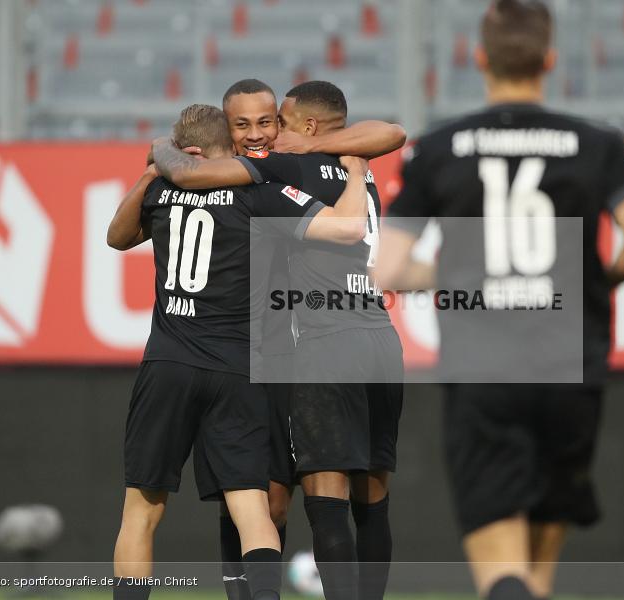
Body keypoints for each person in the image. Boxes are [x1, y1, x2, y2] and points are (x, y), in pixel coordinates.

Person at [372, 2, 624, 600]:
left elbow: (390, 267)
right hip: (570, 367)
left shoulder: (440, 148)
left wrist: (461, 275)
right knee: (538, 577)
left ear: (479, 58)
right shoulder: (598, 144)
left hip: (484, 372)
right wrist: (596, 281)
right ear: (549, 61)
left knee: (503, 576)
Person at [107, 103, 372, 600]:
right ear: (222, 150)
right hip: (236, 368)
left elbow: (116, 238)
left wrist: (151, 172)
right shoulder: (258, 195)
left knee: (141, 512)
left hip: (168, 361)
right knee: (251, 507)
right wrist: (355, 170)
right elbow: (347, 227)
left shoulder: (164, 191)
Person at [213, 78, 405, 600]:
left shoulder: (291, 165)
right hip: (382, 342)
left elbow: (213, 175)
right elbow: (392, 131)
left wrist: (168, 163)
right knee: (373, 498)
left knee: (314, 496)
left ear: (308, 126)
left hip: (317, 344)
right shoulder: (357, 171)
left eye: (279, 121)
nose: (270, 135)